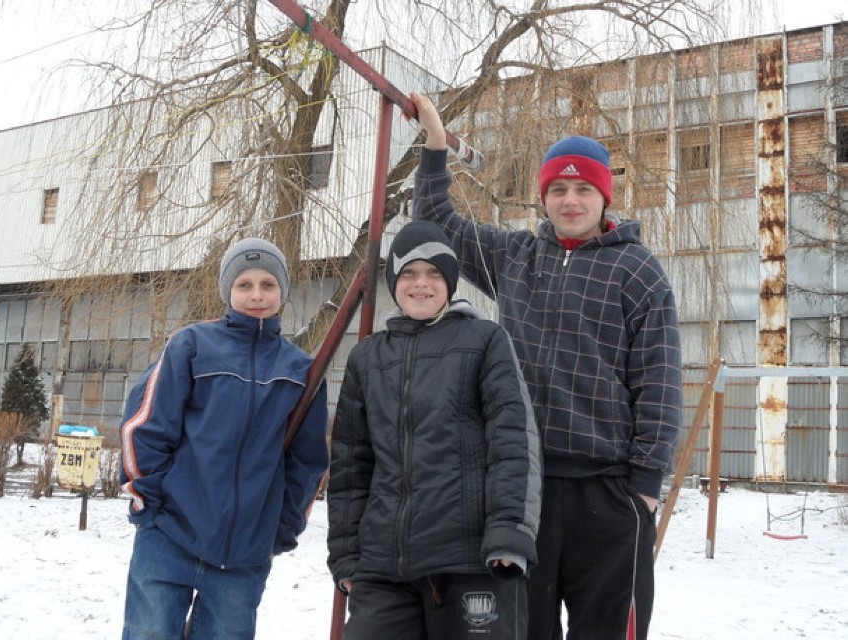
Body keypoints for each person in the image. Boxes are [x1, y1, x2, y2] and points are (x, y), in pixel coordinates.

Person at [408, 92, 683, 640]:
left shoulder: (638, 272)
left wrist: (645, 486)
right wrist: (436, 146)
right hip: (521, 487)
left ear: (604, 196)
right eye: (558, 188)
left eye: (584, 189)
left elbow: (658, 381)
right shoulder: (515, 257)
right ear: (544, 197)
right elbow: (438, 220)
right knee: (521, 629)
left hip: (607, 491)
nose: (571, 200)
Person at [326, 220, 542, 640]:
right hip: (385, 568)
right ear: (392, 280)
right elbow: (351, 466)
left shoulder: (484, 340)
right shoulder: (367, 358)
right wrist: (348, 557)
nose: (420, 284)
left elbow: (513, 442)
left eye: (433, 273)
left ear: (450, 281)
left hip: (471, 561)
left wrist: (508, 531)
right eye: (408, 272)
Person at [119, 237, 329, 639]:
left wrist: (282, 528)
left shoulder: (301, 370)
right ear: (227, 290)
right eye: (244, 285)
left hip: (244, 553)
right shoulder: (192, 346)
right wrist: (147, 502)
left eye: (267, 284)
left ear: (282, 290)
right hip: (170, 536)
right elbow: (146, 426)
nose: (256, 295)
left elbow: (307, 462)